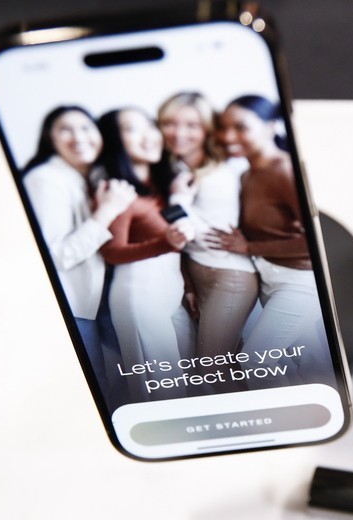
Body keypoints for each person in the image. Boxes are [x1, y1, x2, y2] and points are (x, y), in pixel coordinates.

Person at [209, 95, 329, 384]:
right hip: (270, 280)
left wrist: (248, 247)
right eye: (224, 128)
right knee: (309, 361)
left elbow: (312, 242)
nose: (228, 137)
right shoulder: (246, 175)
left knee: (254, 361)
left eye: (240, 127)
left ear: (271, 126)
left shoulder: (285, 171)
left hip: (299, 284)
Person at [22, 106, 136, 393]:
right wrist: (106, 211)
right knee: (93, 388)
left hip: (96, 299)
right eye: (65, 129)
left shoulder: (91, 176)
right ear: (50, 139)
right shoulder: (46, 179)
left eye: (86, 127)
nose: (79, 137)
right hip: (70, 305)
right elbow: (55, 256)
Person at [97, 107, 193, 401]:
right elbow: (112, 252)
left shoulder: (162, 184)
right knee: (163, 390)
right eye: (131, 129)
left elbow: (177, 243)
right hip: (139, 293)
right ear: (114, 140)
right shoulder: (118, 191)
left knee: (191, 380)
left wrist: (189, 287)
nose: (148, 135)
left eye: (150, 125)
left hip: (172, 291)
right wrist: (166, 243)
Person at [158, 92, 258, 360]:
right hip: (200, 274)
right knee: (222, 365)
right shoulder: (179, 168)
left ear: (207, 130)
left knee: (212, 367)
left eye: (191, 125)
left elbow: (209, 239)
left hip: (228, 278)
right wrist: (189, 284)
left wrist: (178, 201)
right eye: (170, 123)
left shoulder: (218, 175)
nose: (178, 133)